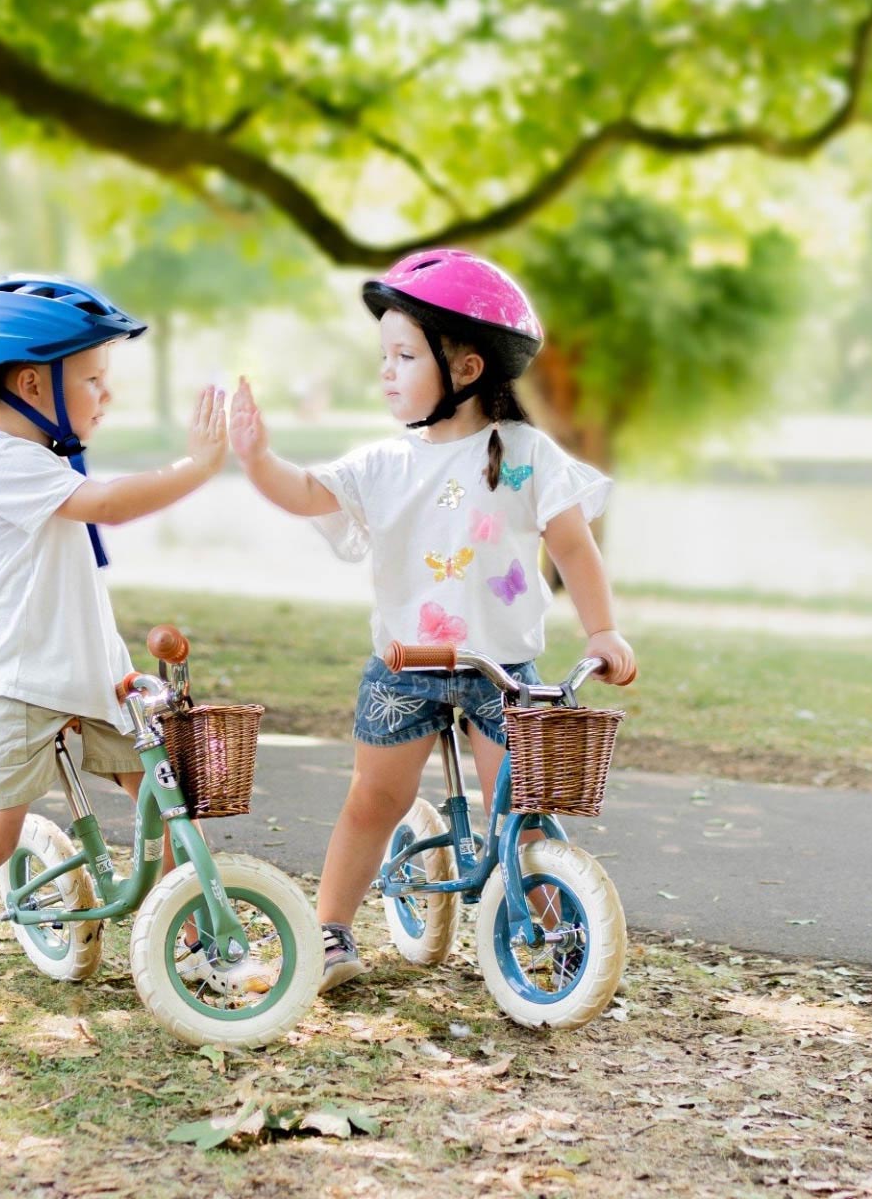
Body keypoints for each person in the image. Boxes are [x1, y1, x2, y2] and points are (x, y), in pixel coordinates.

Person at [229, 249, 636, 993]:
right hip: (405, 669)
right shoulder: (386, 463)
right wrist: (259, 461)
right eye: (383, 355)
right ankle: (330, 929)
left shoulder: (524, 455)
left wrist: (602, 629)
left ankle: (553, 928)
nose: (386, 370)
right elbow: (309, 492)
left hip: (502, 671)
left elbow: (573, 547)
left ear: (468, 369)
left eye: (404, 354)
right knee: (374, 799)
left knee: (523, 807)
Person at [0, 274, 245, 1019]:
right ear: (28, 382)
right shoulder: (3, 463)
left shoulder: (49, 465)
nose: (105, 396)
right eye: (92, 379)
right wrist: (197, 468)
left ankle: (194, 941)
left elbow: (71, 592)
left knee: (171, 803)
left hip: (96, 683)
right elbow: (107, 504)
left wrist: (117, 666)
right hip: (17, 688)